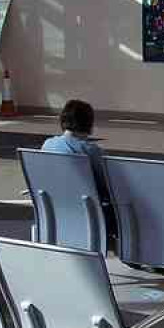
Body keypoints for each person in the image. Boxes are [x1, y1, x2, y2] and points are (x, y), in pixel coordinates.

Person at [41, 99, 117, 235]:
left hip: (57, 209)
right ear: (89, 124)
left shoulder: (48, 145)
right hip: (88, 214)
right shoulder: (91, 151)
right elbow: (109, 187)